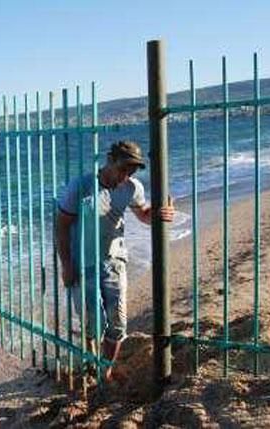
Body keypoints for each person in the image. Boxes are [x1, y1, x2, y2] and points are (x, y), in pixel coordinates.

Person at [56, 140, 175, 382]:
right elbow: (61, 226)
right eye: (124, 168)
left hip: (114, 259)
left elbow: (142, 214)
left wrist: (159, 214)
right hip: (83, 262)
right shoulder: (81, 187)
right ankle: (90, 359)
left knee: (118, 322)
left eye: (132, 170)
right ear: (110, 160)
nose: (126, 174)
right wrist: (66, 265)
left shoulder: (132, 188)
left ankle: (104, 370)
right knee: (93, 319)